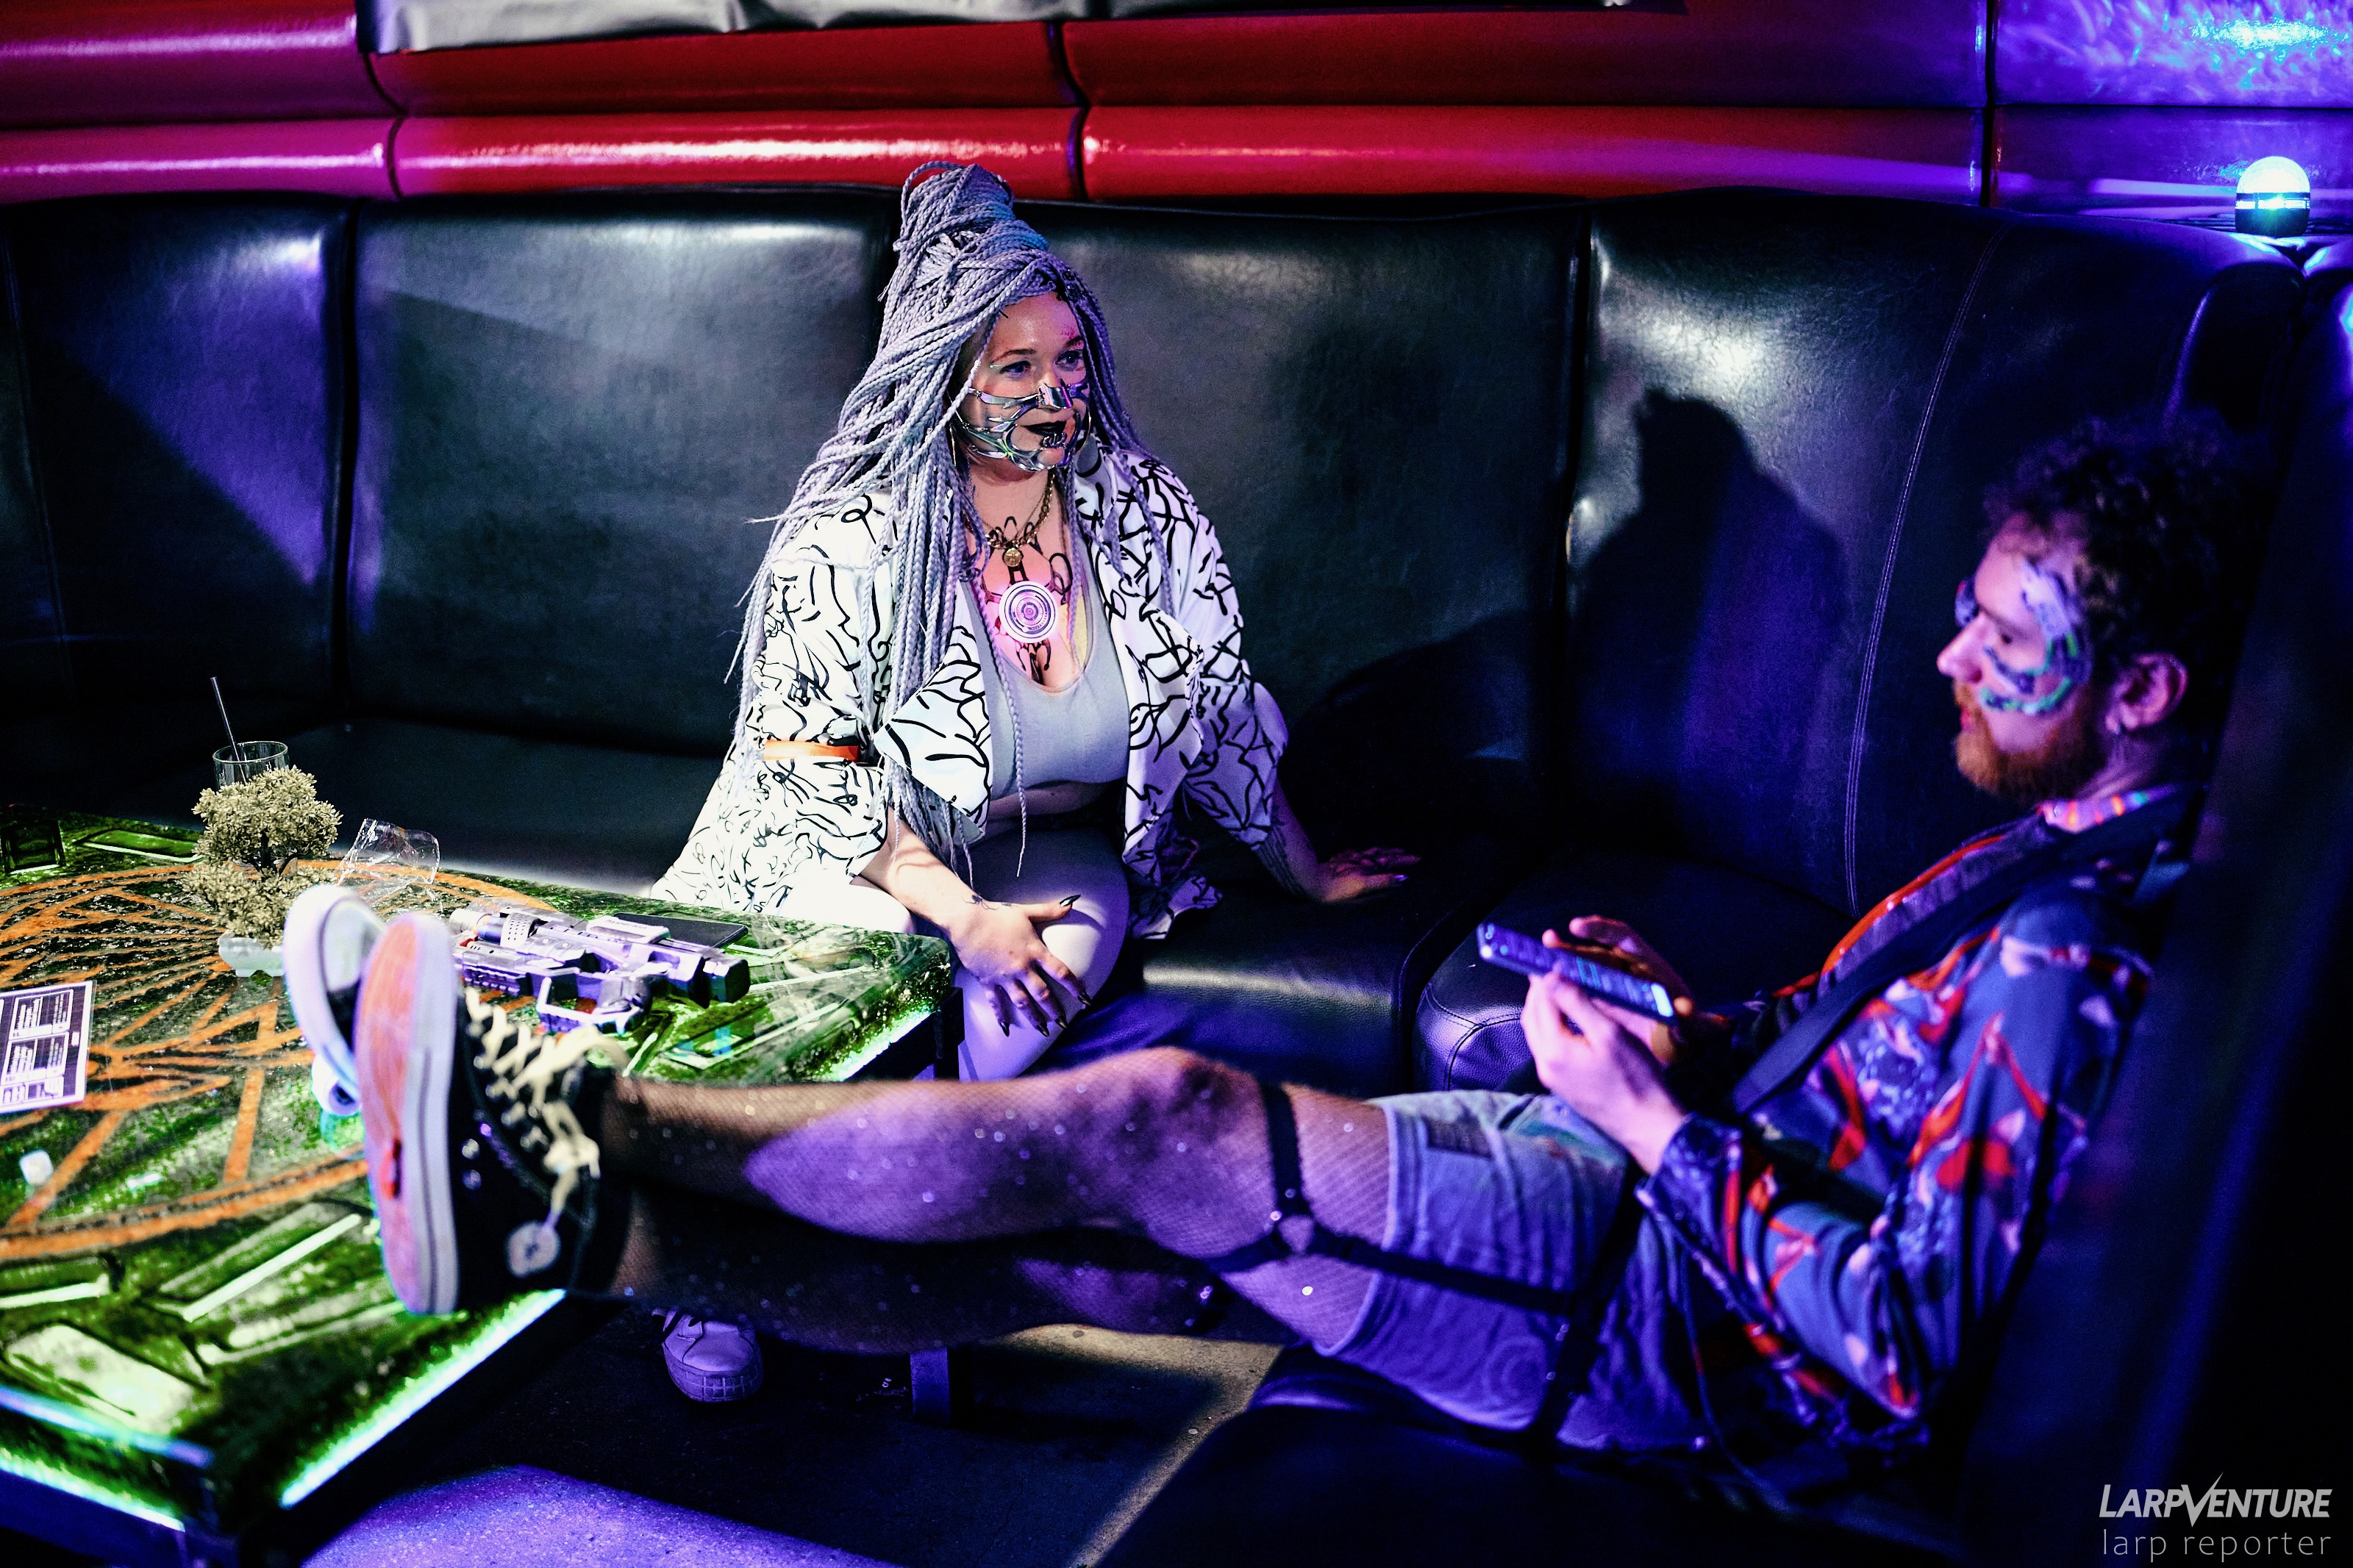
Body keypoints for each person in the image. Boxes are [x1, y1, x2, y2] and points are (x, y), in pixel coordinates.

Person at [318, 417, 2266, 1479]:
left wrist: (1654, 1124)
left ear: (2147, 689)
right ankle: (569, 1233)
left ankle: (565, 1118)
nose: (1948, 655)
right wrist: (1676, 1020)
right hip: (1634, 1181)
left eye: (2007, 640)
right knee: (1089, 1256)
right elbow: (1844, 1070)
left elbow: (1901, 1345)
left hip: (1670, 1317)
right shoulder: (2057, 842)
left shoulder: (2075, 958)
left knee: (1154, 1118)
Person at [651, 159, 1408, 1090]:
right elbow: (811, 773)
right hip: (848, 856)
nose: (1058, 393)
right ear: (943, 382)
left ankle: (912, 1145)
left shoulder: (1142, 509)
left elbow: (1211, 709)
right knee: (876, 951)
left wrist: (1307, 875)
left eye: (1071, 359)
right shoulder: (852, 539)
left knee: (1040, 981)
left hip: (1039, 854)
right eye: (1017, 367)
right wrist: (964, 918)